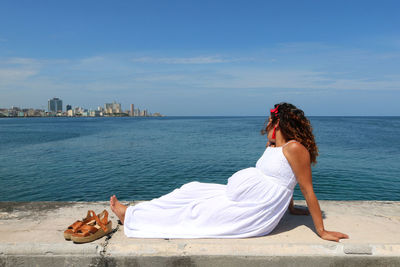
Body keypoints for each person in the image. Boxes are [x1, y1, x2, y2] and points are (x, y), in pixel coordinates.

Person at [110, 102, 349, 242]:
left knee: (196, 212)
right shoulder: (276, 145)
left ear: (279, 123)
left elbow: (305, 187)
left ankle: (131, 217)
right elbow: (287, 180)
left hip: (255, 210)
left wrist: (321, 230)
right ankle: (137, 212)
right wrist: (291, 207)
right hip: (243, 197)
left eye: (270, 120)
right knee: (190, 189)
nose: (266, 124)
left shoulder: (295, 148)